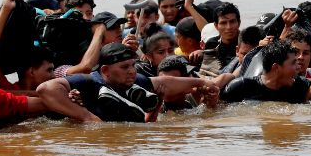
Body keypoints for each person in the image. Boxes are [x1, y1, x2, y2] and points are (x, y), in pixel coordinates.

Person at [38, 43, 219, 123]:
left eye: (133, 65)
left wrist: (202, 82)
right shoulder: (88, 81)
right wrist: (86, 117)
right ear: (105, 71)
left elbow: (166, 82)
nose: (132, 70)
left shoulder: (133, 81)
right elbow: (45, 89)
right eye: (124, 67)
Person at [220, 40, 311, 104]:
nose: (297, 67)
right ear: (276, 68)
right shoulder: (242, 87)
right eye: (293, 63)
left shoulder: (297, 86)